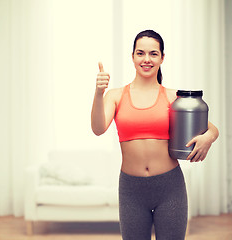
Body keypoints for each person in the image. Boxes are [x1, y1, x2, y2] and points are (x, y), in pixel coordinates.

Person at [91, 30, 219, 240]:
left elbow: (211, 128)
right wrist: (98, 93)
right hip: (131, 189)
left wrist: (209, 138)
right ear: (132, 56)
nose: (146, 59)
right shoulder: (115, 96)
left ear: (162, 58)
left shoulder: (172, 97)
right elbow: (98, 128)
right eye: (140, 53)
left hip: (170, 188)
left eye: (153, 53)